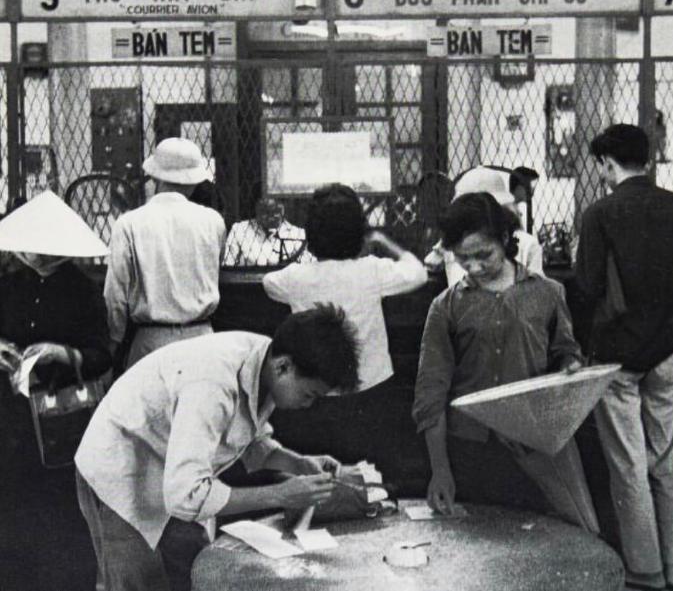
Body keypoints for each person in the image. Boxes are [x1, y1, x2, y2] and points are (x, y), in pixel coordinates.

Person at [75, 304, 359, 591]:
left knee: (198, 567)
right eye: (309, 394)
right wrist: (280, 495)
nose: (309, 405)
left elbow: (249, 442)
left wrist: (297, 463)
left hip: (173, 465)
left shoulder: (267, 361)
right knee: (139, 581)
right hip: (121, 463)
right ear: (283, 366)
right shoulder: (213, 385)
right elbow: (186, 495)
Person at [413, 191, 599, 532]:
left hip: (536, 445)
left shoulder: (547, 293)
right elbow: (430, 393)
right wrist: (440, 469)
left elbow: (566, 351)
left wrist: (570, 367)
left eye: (484, 255)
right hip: (471, 448)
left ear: (505, 239)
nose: (474, 267)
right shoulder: (445, 307)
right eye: (463, 259)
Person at [572, 124, 673, 591]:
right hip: (666, 351)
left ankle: (645, 572)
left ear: (608, 163)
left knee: (628, 466)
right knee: (664, 459)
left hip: (616, 359)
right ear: (647, 159)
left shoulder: (599, 214)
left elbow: (587, 287)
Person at [263, 183, 426, 476]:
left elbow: (269, 283)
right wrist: (383, 242)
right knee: (376, 479)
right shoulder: (372, 270)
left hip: (315, 397)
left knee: (322, 479)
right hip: (372, 393)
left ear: (311, 233)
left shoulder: (295, 279)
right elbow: (418, 272)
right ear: (359, 232)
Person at [0, 191, 112, 591]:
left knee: (61, 514)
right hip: (10, 418)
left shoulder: (81, 289)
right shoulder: (8, 283)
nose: (37, 258)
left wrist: (63, 354)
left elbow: (102, 354)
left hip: (59, 420)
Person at [103, 137, 227, 368]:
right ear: (194, 181)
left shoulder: (129, 223)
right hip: (203, 340)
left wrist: (114, 342)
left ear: (156, 176)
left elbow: (115, 295)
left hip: (150, 342)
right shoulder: (214, 222)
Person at [425, 166, 545, 288]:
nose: (475, 269)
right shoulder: (456, 242)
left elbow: (539, 291)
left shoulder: (527, 244)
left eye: (484, 255)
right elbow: (431, 263)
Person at [224, 197, 309, 268]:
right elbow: (227, 264)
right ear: (256, 209)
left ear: (283, 209)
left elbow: (306, 266)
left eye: (275, 211)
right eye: (265, 211)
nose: (270, 217)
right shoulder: (240, 229)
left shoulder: (299, 234)